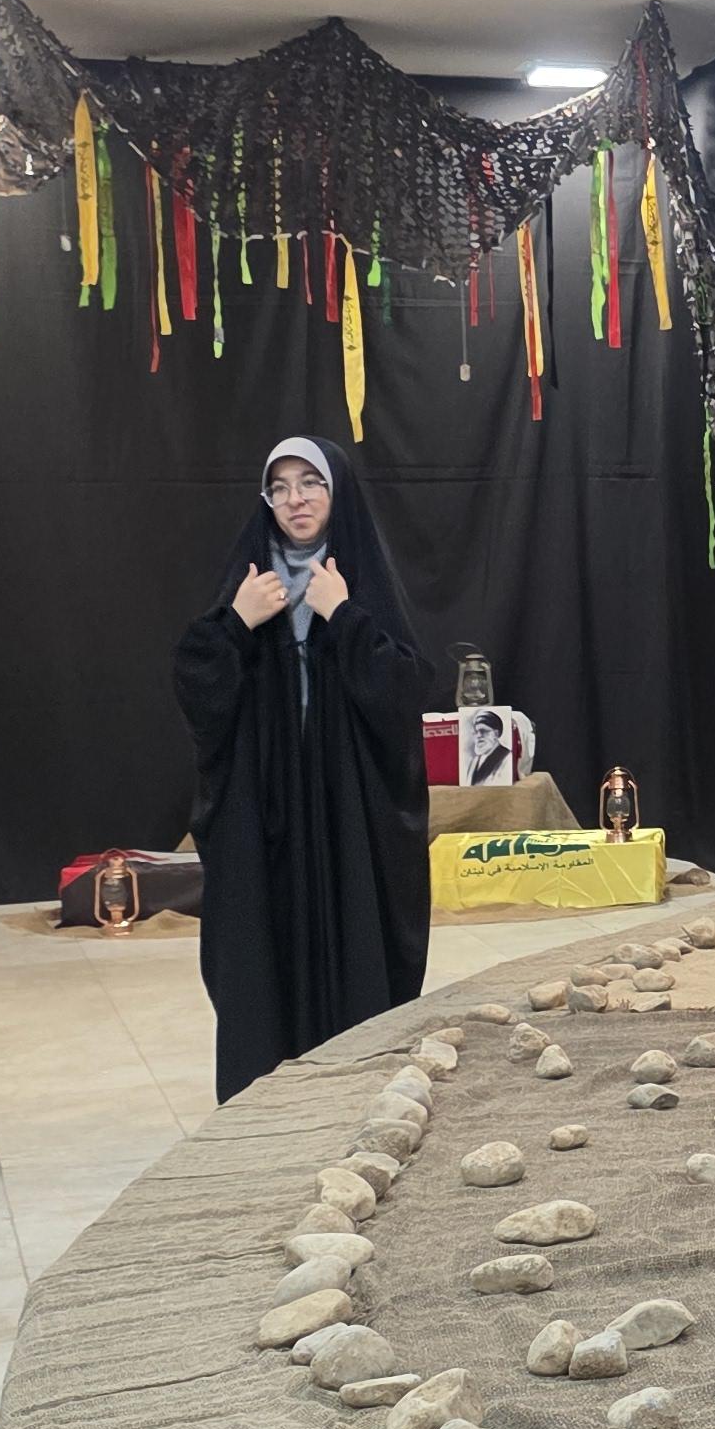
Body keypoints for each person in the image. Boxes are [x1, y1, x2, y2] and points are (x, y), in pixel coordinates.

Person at [174, 436, 433, 1101]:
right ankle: (265, 1105)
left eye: (310, 483)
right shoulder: (248, 584)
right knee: (263, 954)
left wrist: (342, 616)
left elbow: (406, 693)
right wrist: (238, 624)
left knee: (356, 945)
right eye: (280, 487)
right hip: (264, 819)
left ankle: (353, 1092)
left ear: (336, 491)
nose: (295, 500)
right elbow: (196, 688)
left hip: (349, 819)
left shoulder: (359, 584)